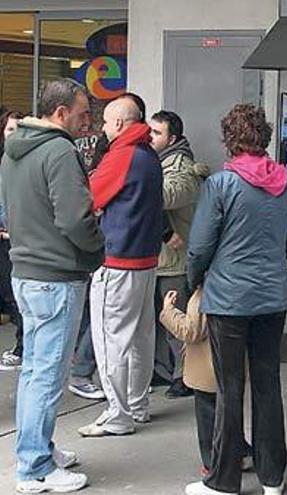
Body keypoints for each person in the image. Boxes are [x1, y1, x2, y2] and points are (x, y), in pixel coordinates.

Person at [185, 104, 287, 495]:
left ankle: (223, 481)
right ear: (264, 137)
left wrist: (193, 281)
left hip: (228, 299)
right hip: (272, 297)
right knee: (269, 385)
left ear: (230, 140)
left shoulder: (220, 184)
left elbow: (199, 248)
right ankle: (273, 478)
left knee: (228, 388)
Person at [1, 78, 104, 493]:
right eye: (83, 114)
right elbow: (76, 220)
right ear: (60, 113)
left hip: (27, 271)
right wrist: (97, 251)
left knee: (35, 373)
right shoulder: (59, 151)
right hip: (55, 277)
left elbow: (11, 211)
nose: (88, 122)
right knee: (46, 375)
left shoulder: (15, 149)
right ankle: (35, 466)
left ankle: (37, 448)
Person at [78, 95, 164, 438]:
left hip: (116, 261)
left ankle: (118, 413)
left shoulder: (123, 155)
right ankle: (137, 405)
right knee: (142, 336)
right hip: (146, 260)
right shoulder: (148, 155)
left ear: (118, 124)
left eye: (104, 122)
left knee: (110, 339)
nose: (100, 128)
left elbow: (89, 198)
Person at [149, 109, 211, 398]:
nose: (150, 137)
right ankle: (163, 371)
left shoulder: (181, 166)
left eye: (157, 133)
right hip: (159, 256)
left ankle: (184, 376)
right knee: (160, 322)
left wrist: (135, 180)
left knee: (178, 322)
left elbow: (166, 196)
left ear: (172, 138)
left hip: (174, 258)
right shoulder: (156, 161)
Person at [159, 288, 253, 476]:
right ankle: (241, 452)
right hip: (231, 366)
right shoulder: (237, 289)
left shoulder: (204, 293)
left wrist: (168, 311)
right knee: (229, 414)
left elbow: (191, 330)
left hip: (204, 371)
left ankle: (213, 464)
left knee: (208, 420)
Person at [0, 109, 24, 371]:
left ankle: (22, 347)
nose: (13, 135)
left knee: (14, 298)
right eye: (9, 129)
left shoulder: (27, 162)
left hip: (16, 240)